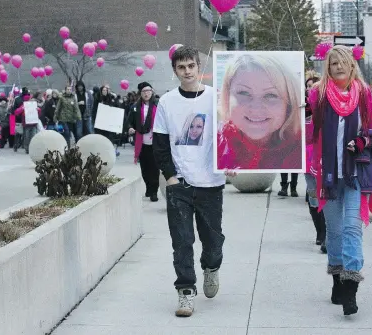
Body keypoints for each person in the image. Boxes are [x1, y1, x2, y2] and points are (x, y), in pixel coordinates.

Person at [153, 46, 235, 317]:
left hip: (211, 183)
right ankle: (186, 291)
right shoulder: (166, 102)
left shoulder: (216, 97)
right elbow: (160, 144)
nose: (187, 71)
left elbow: (232, 132)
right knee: (182, 241)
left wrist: (231, 161)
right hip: (181, 185)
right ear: (175, 70)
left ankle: (211, 268)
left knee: (213, 241)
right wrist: (170, 178)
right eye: (181, 67)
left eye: (191, 66)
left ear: (199, 67)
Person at [308, 45, 372, 316]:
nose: (338, 67)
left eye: (342, 62)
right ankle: (337, 278)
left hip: (355, 173)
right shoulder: (317, 96)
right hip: (327, 173)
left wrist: (362, 140)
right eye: (332, 63)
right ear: (327, 68)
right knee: (335, 231)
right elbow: (306, 127)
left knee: (352, 228)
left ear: (352, 65)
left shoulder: (364, 95)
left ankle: (350, 286)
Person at [217, 54, 303, 170]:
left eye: (270, 95)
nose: (256, 108)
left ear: (289, 104)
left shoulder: (302, 148)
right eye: (244, 93)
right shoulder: (214, 143)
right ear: (227, 96)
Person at [304, 70, 326, 253]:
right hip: (306, 158)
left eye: (315, 88)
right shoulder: (301, 109)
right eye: (308, 87)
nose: (311, 90)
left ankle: (327, 233)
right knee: (313, 195)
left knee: (325, 195)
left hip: (324, 158)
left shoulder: (326, 109)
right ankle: (319, 231)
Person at [128, 82, 160, 202]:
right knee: (145, 169)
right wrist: (130, 128)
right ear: (140, 93)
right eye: (144, 91)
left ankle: (154, 192)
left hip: (154, 142)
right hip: (141, 142)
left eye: (148, 91)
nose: (146, 93)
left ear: (152, 92)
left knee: (154, 168)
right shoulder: (135, 107)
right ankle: (148, 187)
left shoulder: (158, 105)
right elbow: (129, 121)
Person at [93, 84, 121, 156]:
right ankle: (100, 151)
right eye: (104, 90)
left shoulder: (111, 98)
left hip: (108, 122)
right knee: (100, 137)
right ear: (101, 91)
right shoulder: (98, 98)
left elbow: (117, 107)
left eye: (106, 90)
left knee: (109, 137)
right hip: (100, 122)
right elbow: (94, 110)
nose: (105, 91)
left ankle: (109, 151)